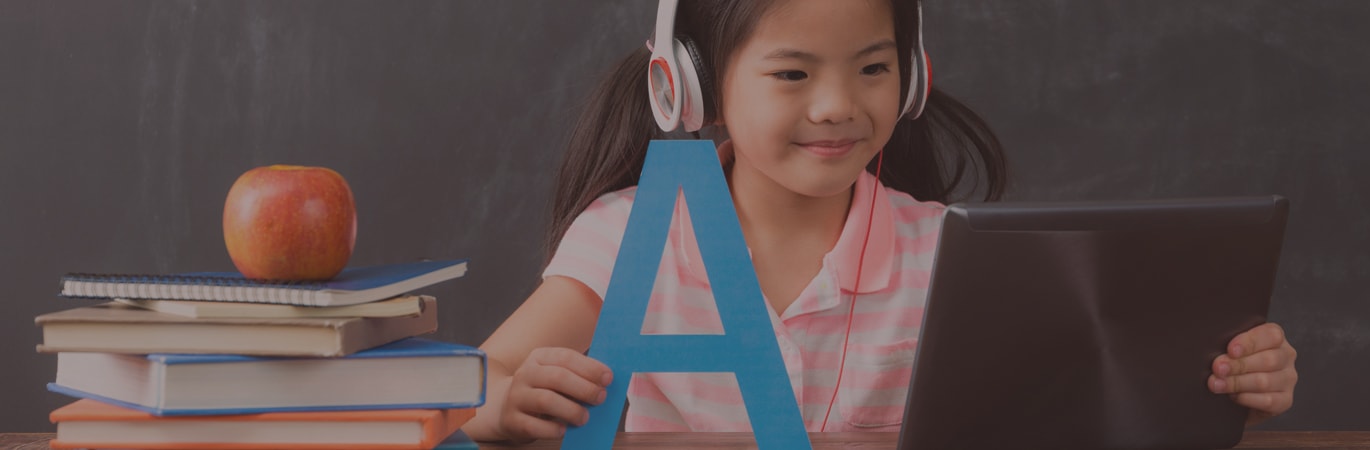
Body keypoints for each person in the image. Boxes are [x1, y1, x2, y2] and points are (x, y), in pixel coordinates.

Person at [461, 0, 1298, 443]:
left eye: (872, 67)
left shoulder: (948, 255)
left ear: (913, 76)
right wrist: (509, 404)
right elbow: (479, 379)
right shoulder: (628, 233)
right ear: (688, 83)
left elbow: (1083, 408)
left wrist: (1222, 387)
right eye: (791, 73)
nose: (837, 105)